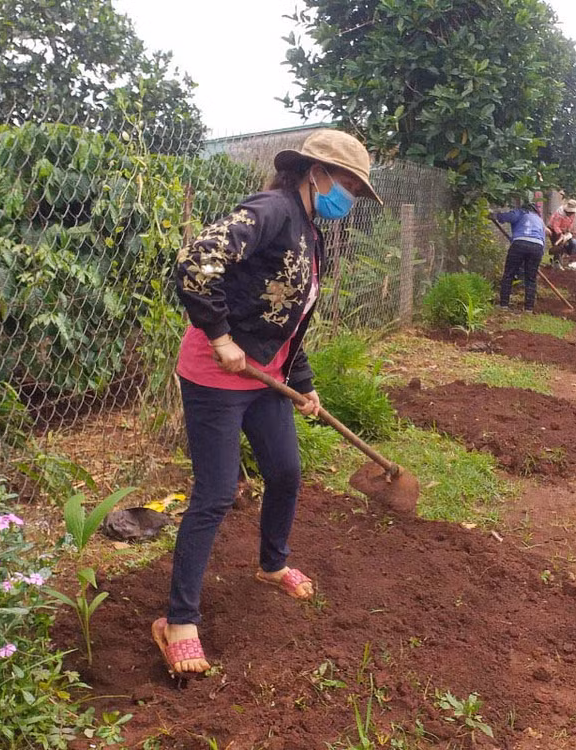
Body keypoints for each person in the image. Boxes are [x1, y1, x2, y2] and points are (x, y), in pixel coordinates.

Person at [152, 129, 383, 676]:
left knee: (285, 472)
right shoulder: (272, 209)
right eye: (345, 183)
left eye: (354, 186)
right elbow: (198, 260)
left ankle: (271, 565)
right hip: (216, 375)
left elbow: (288, 316)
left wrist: (301, 380)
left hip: (267, 377)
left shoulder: (309, 230)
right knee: (214, 493)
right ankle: (179, 621)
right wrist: (219, 334)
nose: (346, 196)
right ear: (314, 172)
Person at [492, 195, 546, 312]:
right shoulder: (540, 220)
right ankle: (528, 309)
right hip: (537, 247)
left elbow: (506, 217)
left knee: (509, 274)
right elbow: (543, 239)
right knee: (530, 278)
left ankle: (504, 305)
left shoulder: (520, 212)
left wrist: (494, 216)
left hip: (520, 244)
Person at [547, 199, 576, 263]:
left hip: (563, 230)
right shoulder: (559, 214)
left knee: (572, 244)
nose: (571, 214)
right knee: (558, 246)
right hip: (554, 230)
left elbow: (570, 222)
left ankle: (571, 260)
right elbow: (556, 226)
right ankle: (557, 261)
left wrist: (568, 230)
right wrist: (560, 234)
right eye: (570, 212)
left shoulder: (573, 214)